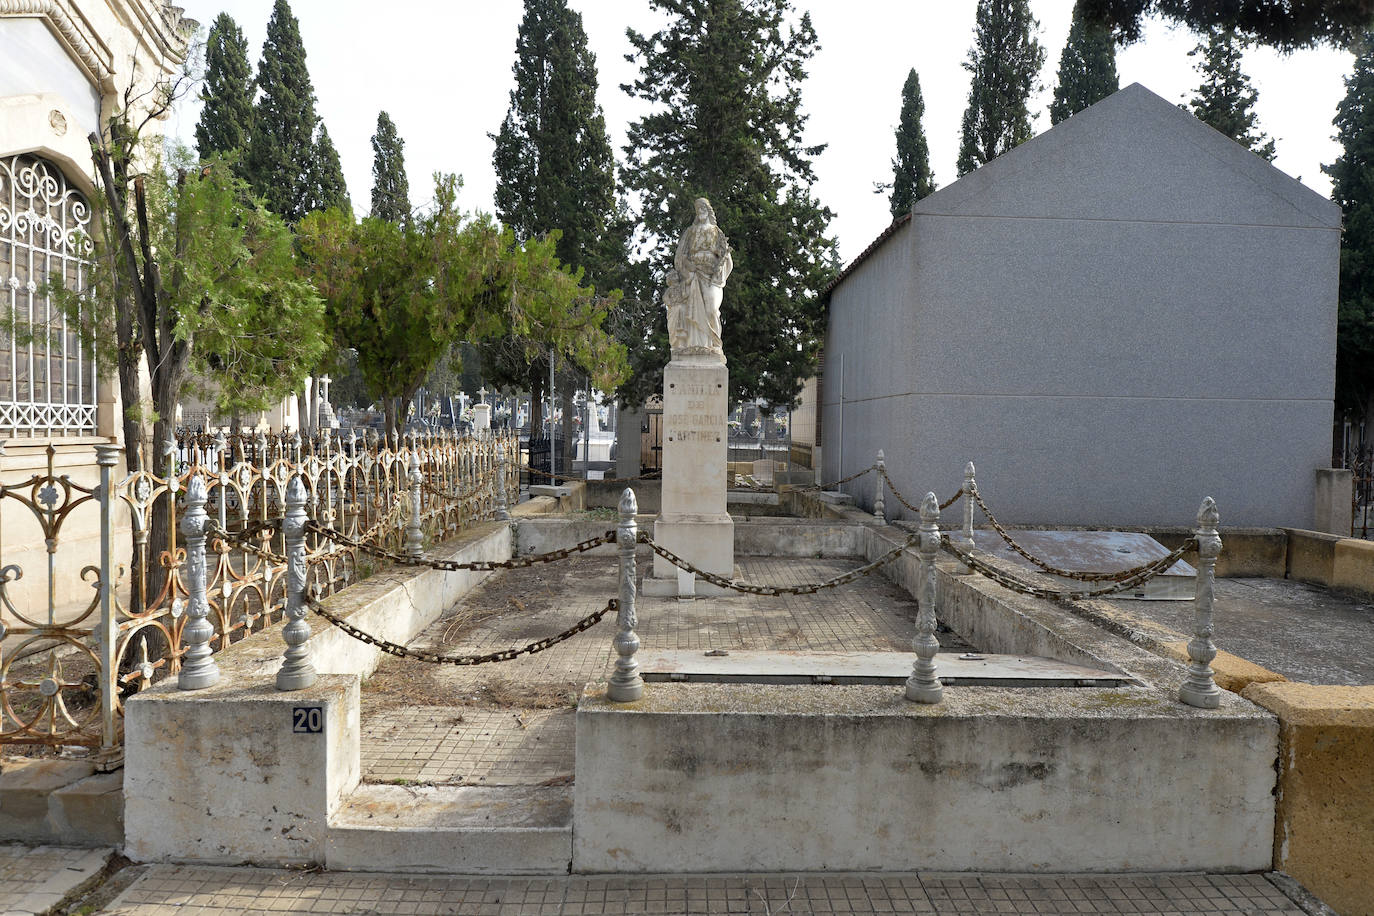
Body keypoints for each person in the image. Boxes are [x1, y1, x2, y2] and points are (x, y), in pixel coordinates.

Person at [665, 197, 732, 359]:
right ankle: (694, 346)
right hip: (693, 275)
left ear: (708, 210)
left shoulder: (716, 232)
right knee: (690, 310)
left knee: (712, 309)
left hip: (711, 276)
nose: (700, 211)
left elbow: (725, 256)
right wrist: (688, 269)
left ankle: (714, 344)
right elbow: (681, 255)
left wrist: (721, 266)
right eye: (698, 208)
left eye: (703, 208)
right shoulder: (690, 232)